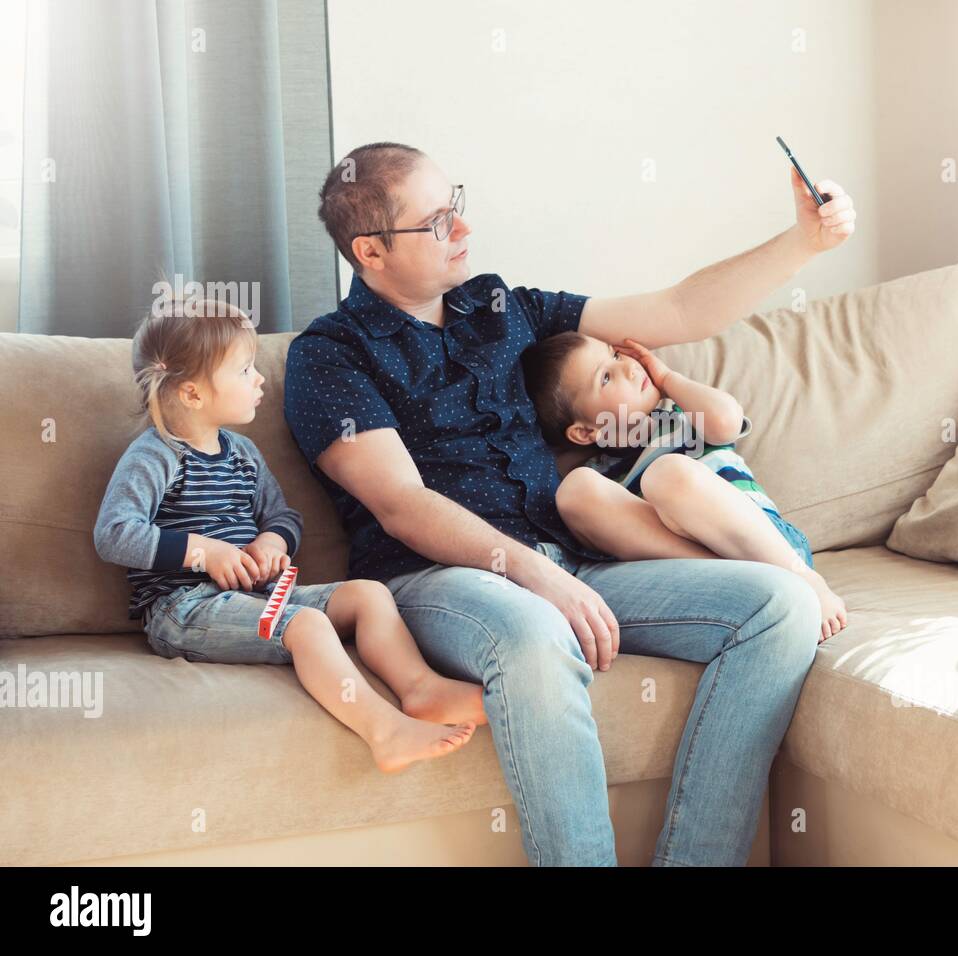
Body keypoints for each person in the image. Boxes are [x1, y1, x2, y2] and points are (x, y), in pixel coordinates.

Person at [284, 141, 858, 865]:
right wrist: (534, 574)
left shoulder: (500, 308)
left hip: (575, 561)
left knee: (781, 608)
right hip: (438, 580)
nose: (461, 230)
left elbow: (676, 308)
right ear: (369, 250)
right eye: (435, 223)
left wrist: (801, 243)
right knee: (534, 635)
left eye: (454, 207)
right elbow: (401, 504)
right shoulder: (328, 356)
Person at [93, 299, 486, 774]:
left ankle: (422, 689)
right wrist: (205, 552)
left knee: (368, 595)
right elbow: (114, 533)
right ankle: (385, 732)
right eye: (244, 370)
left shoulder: (242, 453)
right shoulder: (155, 455)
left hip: (256, 597)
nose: (260, 379)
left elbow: (283, 516)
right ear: (193, 393)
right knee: (308, 625)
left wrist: (270, 544)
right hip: (184, 609)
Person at [521, 330, 848, 640]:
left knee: (667, 474)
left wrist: (667, 380)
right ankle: (742, 575)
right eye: (605, 377)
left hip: (773, 547)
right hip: (709, 577)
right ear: (583, 432)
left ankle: (804, 579)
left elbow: (727, 421)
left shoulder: (682, 415)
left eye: (615, 354)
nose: (628, 369)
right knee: (575, 491)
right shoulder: (602, 478)